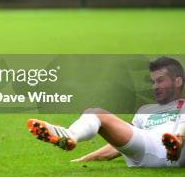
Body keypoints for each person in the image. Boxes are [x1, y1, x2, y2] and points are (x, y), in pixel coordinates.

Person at [26, 57, 185, 168]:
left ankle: (177, 143)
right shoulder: (145, 111)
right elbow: (118, 146)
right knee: (96, 113)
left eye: (160, 80)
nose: (155, 86)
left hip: (180, 152)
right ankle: (70, 135)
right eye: (153, 81)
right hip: (147, 150)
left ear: (178, 81)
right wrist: (84, 159)